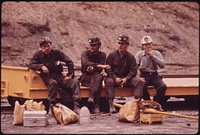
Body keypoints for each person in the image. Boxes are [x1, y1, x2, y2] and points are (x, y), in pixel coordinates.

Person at [28, 37, 80, 115]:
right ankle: (51, 107)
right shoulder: (37, 55)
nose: (47, 48)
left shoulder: (56, 53)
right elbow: (30, 64)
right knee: (53, 83)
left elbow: (69, 62)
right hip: (47, 77)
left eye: (48, 46)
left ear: (51, 45)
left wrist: (69, 75)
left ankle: (76, 106)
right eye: (44, 46)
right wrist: (41, 66)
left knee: (75, 82)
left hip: (59, 76)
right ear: (41, 47)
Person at [105, 34, 144, 113]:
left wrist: (127, 78)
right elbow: (108, 69)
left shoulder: (130, 57)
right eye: (119, 43)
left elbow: (133, 70)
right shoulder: (111, 55)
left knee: (139, 81)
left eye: (122, 44)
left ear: (127, 45)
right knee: (108, 81)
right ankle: (111, 104)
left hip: (126, 78)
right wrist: (115, 78)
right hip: (114, 78)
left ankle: (137, 102)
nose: (120, 45)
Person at [80, 36, 110, 114]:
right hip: (86, 77)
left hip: (96, 78)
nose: (92, 47)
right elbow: (86, 63)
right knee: (98, 78)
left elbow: (100, 69)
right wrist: (96, 67)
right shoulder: (85, 53)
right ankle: (96, 105)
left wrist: (94, 68)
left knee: (97, 76)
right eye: (91, 45)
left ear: (99, 45)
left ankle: (92, 99)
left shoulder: (102, 55)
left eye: (94, 45)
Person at [135, 35, 167, 107]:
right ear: (142, 46)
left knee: (163, 86)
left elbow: (162, 65)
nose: (148, 46)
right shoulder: (139, 54)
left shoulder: (157, 53)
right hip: (144, 75)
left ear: (152, 44)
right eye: (146, 45)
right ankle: (148, 102)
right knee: (141, 86)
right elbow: (134, 68)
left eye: (149, 44)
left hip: (154, 75)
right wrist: (138, 77)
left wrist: (154, 57)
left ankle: (156, 103)